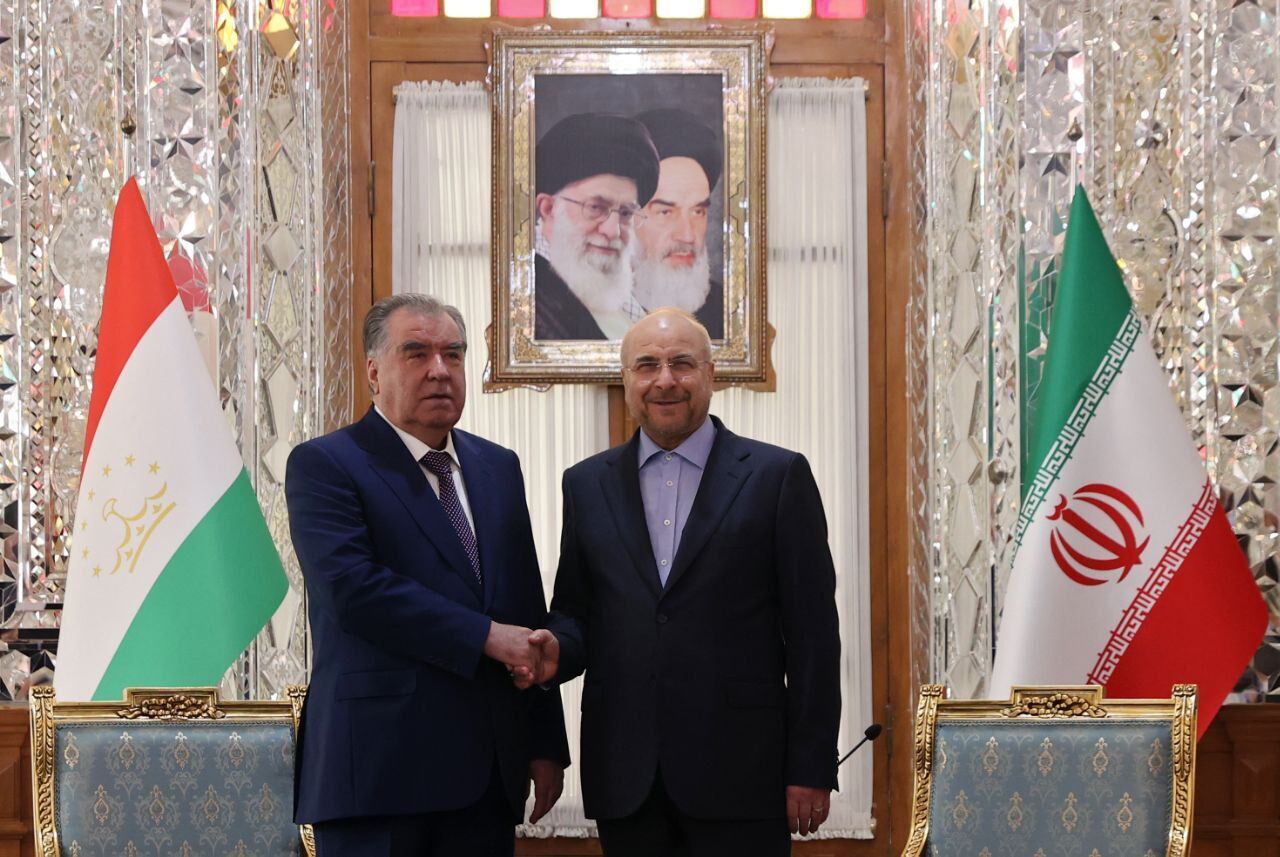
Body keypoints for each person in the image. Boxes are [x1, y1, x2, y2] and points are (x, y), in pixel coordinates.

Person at [540, 308, 842, 856]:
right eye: (646, 366)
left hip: (743, 774)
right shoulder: (585, 484)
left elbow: (814, 636)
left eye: (681, 363)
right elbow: (577, 613)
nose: (665, 380)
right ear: (626, 379)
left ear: (711, 375)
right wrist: (553, 649)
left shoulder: (777, 477)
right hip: (626, 776)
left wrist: (811, 765)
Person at [285, 294, 569, 856]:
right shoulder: (326, 464)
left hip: (487, 777)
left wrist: (544, 742)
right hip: (378, 774)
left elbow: (523, 607)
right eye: (416, 353)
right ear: (374, 372)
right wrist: (485, 636)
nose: (440, 370)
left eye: (453, 355)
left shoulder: (498, 467)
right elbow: (354, 591)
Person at [534, 113, 660, 341]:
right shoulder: (529, 304)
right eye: (596, 207)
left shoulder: (619, 298)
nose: (613, 231)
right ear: (549, 208)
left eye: (626, 213)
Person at [631, 109, 725, 339]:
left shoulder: (724, 311)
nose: (688, 235)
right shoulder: (573, 311)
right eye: (666, 212)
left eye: (697, 211)